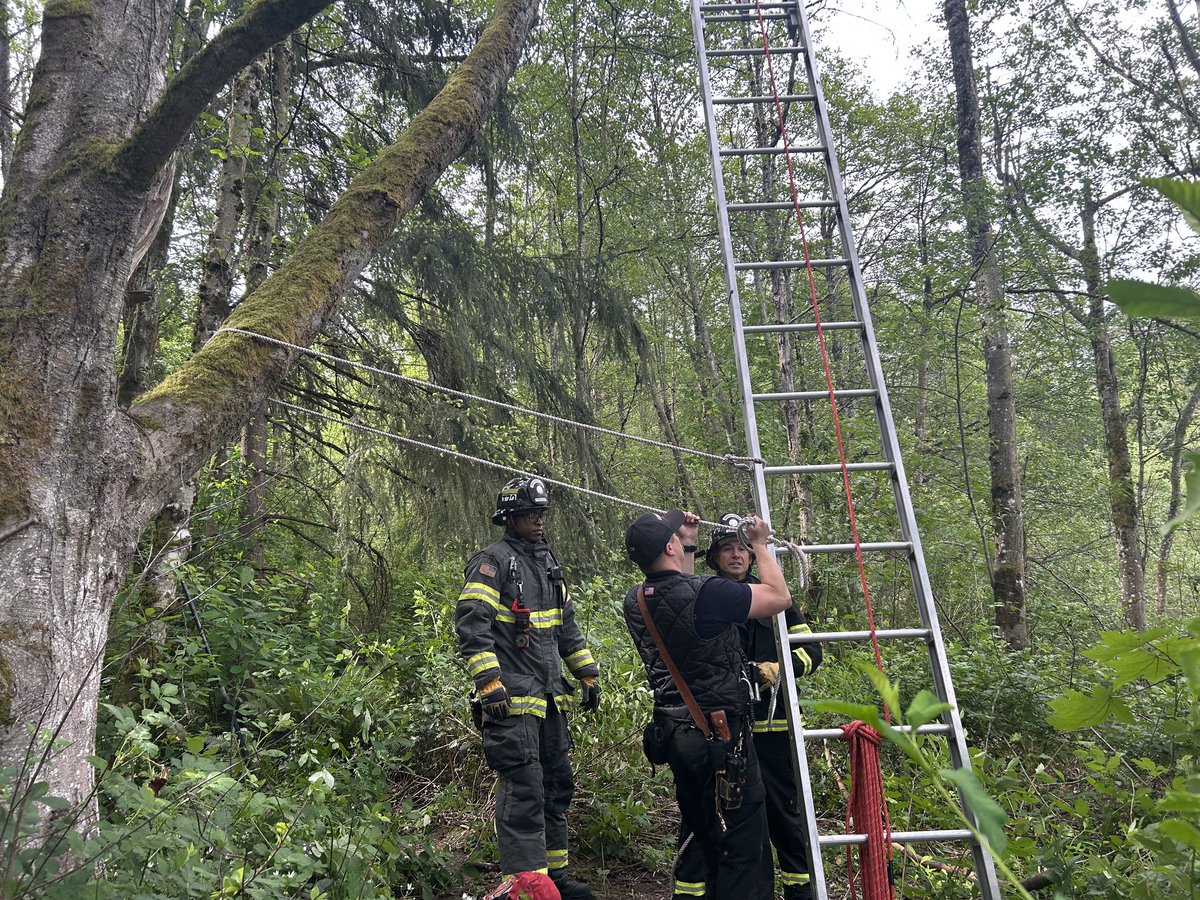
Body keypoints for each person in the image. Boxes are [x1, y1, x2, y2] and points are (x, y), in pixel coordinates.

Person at [622, 509, 791, 900]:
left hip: (677, 736)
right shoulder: (707, 594)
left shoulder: (636, 601)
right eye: (674, 539)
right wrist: (761, 545)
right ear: (669, 546)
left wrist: (690, 540)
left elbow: (677, 587)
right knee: (742, 847)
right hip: (721, 737)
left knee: (710, 835)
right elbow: (779, 597)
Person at [456, 476, 600, 900]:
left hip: (550, 697)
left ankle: (553, 881)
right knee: (524, 791)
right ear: (510, 518)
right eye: (529, 515)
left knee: (556, 787)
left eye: (540, 514)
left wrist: (586, 673)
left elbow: (565, 626)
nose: (538, 521)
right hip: (512, 702)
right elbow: (472, 622)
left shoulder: (547, 563)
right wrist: (489, 681)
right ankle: (526, 888)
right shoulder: (493, 562)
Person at [707, 512, 823, 900]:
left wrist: (781, 669)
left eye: (742, 548)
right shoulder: (705, 597)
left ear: (752, 556)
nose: (736, 555)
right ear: (716, 557)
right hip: (725, 729)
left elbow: (812, 651)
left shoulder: (775, 597)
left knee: (783, 814)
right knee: (729, 816)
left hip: (773, 728)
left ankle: (800, 889)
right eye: (727, 549)